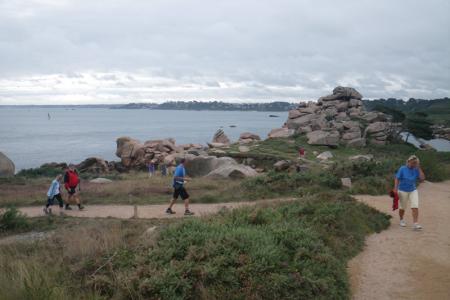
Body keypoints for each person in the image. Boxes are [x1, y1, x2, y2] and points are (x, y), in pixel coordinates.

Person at [394, 155, 425, 230]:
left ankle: (415, 224)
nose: (413, 164)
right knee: (402, 207)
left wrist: (419, 168)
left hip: (413, 190)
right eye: (412, 163)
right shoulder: (402, 168)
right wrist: (395, 188)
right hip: (402, 190)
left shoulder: (416, 169)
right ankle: (401, 220)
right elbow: (397, 178)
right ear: (408, 162)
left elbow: (422, 179)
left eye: (415, 163)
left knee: (415, 206)